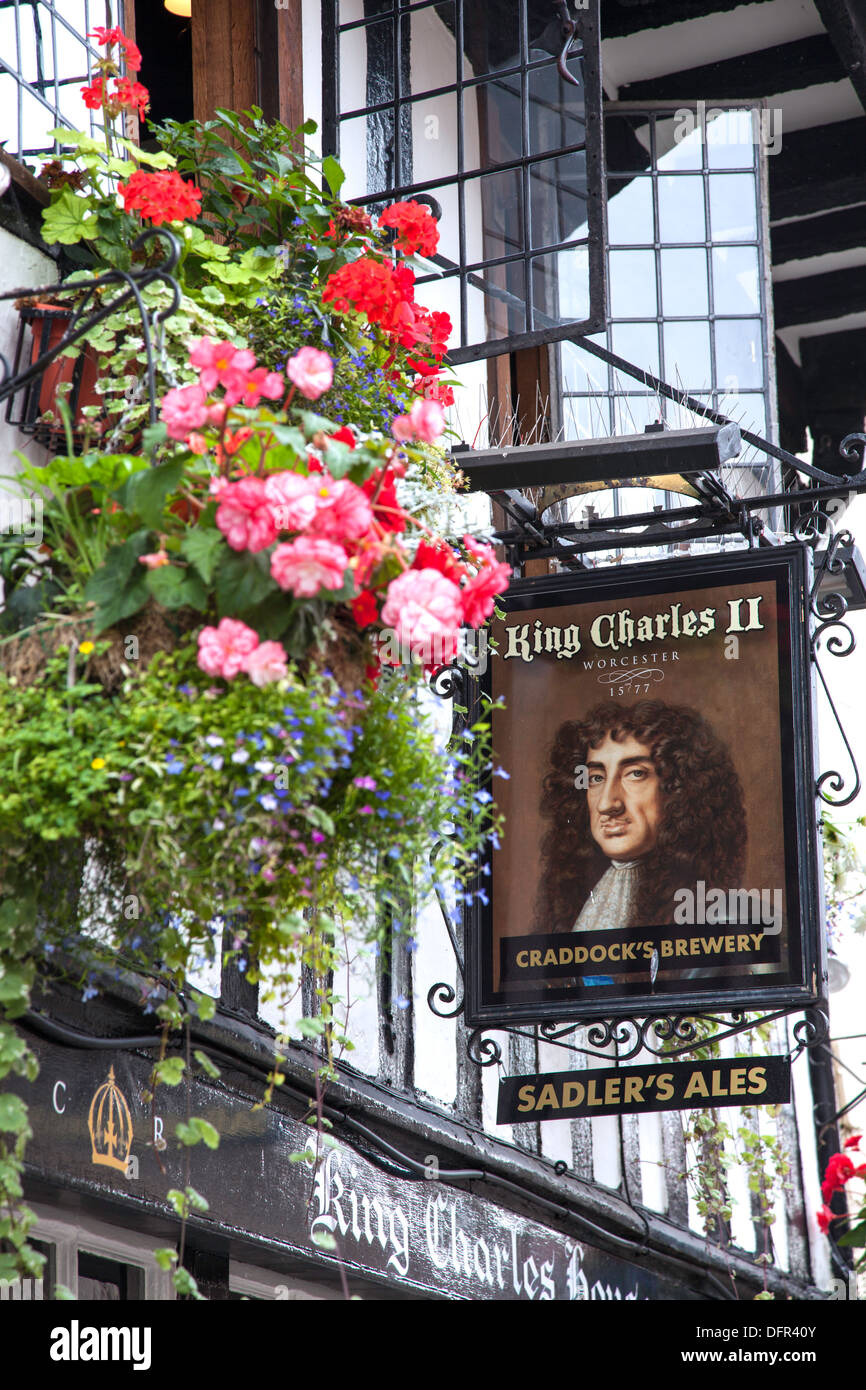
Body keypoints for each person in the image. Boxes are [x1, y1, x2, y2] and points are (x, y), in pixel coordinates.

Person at [533, 700, 746, 935]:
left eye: (635, 774)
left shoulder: (730, 918)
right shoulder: (573, 902)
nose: (606, 804)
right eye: (596, 777)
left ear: (679, 789)